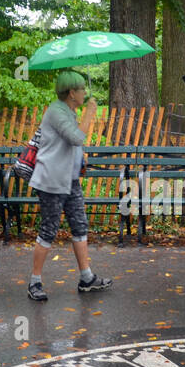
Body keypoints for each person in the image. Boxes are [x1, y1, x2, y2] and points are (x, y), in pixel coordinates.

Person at [27, 70, 113, 301]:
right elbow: (76, 137)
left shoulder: (69, 111)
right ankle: (34, 282)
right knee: (49, 229)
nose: (85, 92)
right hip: (52, 180)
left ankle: (86, 278)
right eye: (82, 89)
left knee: (80, 226)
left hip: (70, 180)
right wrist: (90, 114)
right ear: (72, 92)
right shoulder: (56, 111)